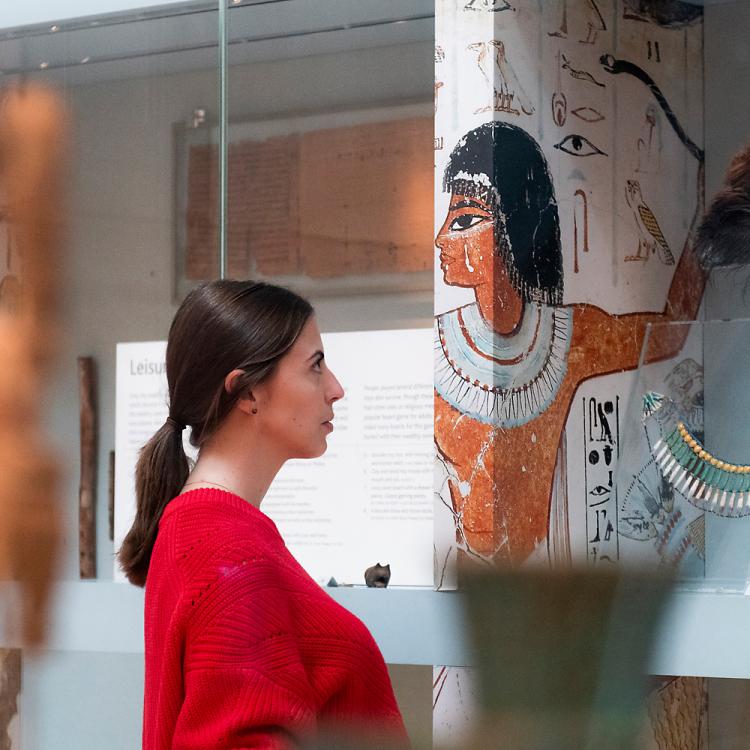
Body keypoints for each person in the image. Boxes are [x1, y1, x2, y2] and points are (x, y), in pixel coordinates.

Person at [118, 280, 408, 749]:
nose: (336, 388)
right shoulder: (227, 552)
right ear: (247, 391)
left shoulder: (197, 527)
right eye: (315, 367)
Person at [434, 121, 708, 568]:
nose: (442, 238)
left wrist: (703, 210)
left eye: (464, 220)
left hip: (539, 584)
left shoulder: (568, 334)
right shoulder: (440, 351)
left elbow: (669, 333)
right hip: (468, 589)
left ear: (514, 227)